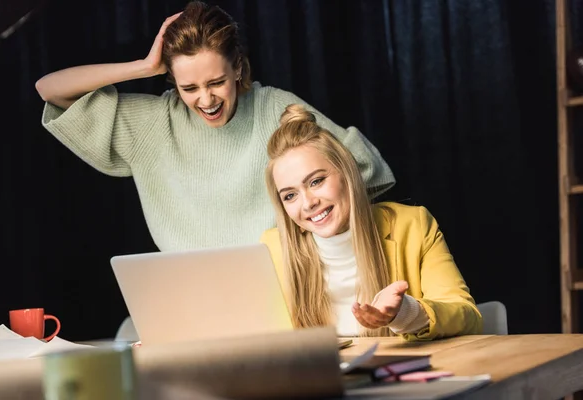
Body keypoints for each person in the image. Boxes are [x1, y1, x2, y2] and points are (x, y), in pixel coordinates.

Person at [34, 1, 395, 252]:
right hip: (187, 293)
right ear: (172, 81)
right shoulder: (153, 124)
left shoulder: (272, 107)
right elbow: (49, 89)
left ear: (237, 68)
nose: (206, 100)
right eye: (189, 88)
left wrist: (307, 240)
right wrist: (143, 66)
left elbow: (362, 167)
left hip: (282, 282)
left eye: (216, 83)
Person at [260, 105, 482, 340]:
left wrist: (406, 314)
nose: (308, 203)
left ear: (347, 174)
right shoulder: (271, 248)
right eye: (290, 195)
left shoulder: (412, 225)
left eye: (316, 181)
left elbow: (469, 318)